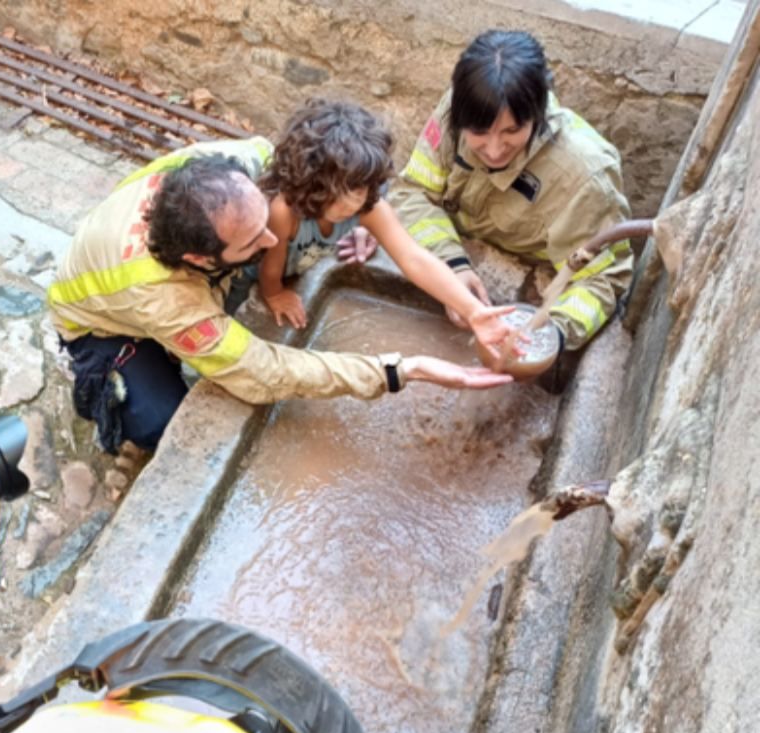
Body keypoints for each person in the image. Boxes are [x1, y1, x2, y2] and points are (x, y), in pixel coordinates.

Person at [48, 138, 515, 454]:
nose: (273, 242)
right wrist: (395, 370)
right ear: (199, 259)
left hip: (120, 257)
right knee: (161, 423)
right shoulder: (168, 301)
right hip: (99, 325)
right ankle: (104, 373)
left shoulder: (244, 158)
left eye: (264, 223)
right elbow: (264, 372)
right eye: (253, 242)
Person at [388, 29, 632, 351]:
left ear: (538, 112)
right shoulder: (457, 111)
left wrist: (549, 335)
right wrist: (452, 267)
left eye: (512, 131)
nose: (493, 149)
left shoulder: (585, 176)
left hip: (535, 274)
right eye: (478, 132)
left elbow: (604, 280)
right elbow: (412, 192)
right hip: (459, 246)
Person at [242, 99, 517, 335]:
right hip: (246, 264)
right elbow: (270, 268)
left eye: (360, 189)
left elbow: (414, 258)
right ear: (309, 182)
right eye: (339, 191)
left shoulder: (368, 207)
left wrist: (471, 310)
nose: (352, 202)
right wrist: (275, 294)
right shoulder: (284, 210)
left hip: (298, 261)